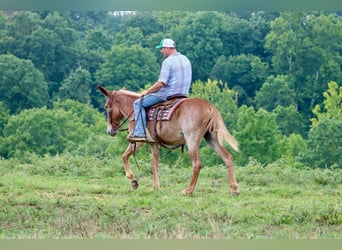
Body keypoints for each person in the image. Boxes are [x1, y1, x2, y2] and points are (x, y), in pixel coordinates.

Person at [129, 38, 192, 142]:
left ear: (167, 48)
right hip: (183, 94)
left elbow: (161, 83)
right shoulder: (186, 59)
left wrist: (147, 91)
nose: (161, 51)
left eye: (162, 48)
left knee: (138, 103)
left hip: (167, 95)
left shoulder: (168, 62)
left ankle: (139, 132)